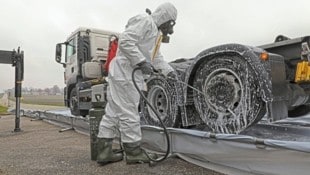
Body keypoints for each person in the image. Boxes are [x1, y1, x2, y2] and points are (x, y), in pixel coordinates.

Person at [96, 2, 178, 165]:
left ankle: (103, 152)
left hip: (123, 73)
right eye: (170, 23)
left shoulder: (155, 34)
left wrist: (169, 72)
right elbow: (125, 41)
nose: (171, 28)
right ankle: (133, 152)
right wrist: (140, 62)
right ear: (165, 17)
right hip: (126, 73)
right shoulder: (146, 22)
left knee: (112, 112)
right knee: (129, 112)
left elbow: (155, 57)